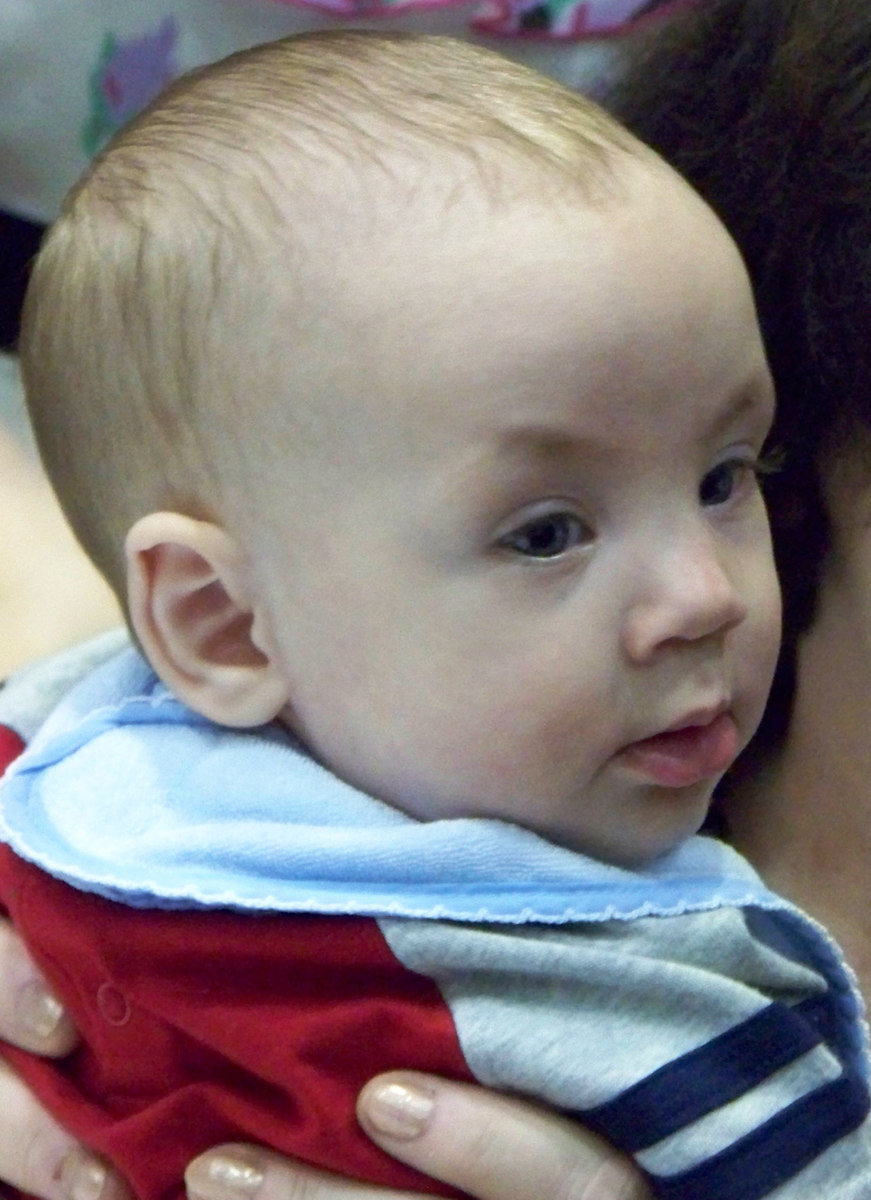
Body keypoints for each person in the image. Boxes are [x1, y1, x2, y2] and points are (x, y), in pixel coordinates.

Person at [0, 20, 864, 1200]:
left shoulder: (680, 1012)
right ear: (217, 627)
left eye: (724, 476)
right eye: (546, 533)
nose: (704, 597)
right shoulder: (83, 758)